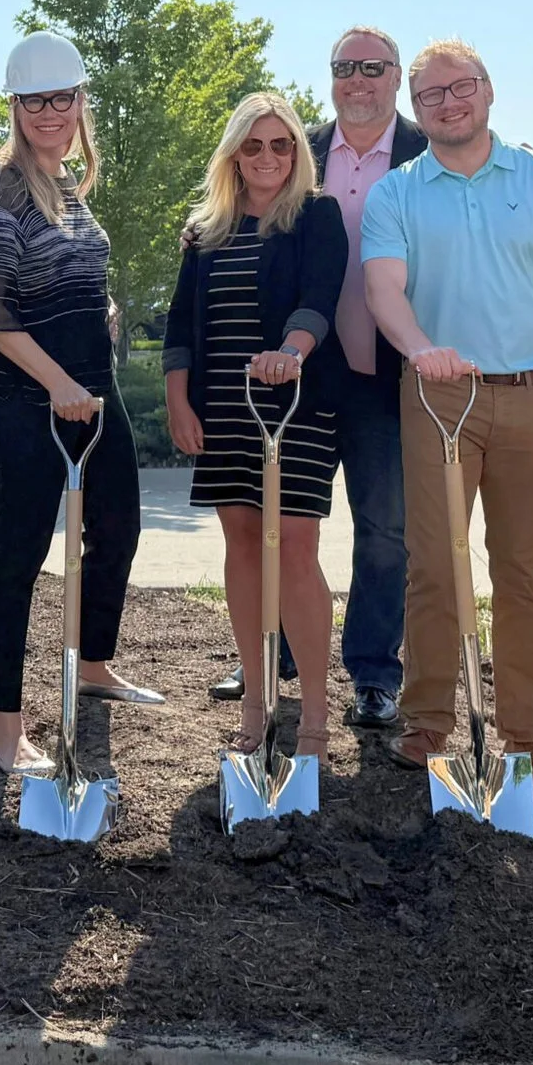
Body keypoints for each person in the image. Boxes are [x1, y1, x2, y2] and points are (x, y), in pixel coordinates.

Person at [362, 41, 533, 795]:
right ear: (417, 106)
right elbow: (384, 289)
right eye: (431, 95)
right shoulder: (397, 193)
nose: (448, 103)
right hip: (440, 396)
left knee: (522, 572)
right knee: (436, 564)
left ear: (489, 91)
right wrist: (419, 350)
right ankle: (428, 718)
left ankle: (526, 735)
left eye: (460, 88)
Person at [0, 32, 156, 777]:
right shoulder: (0, 185)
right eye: (35, 99)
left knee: (118, 523)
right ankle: (5, 730)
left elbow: (67, 272)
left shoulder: (68, 181)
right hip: (27, 397)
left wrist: (100, 305)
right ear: (15, 106)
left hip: (89, 387)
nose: (50, 111)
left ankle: (93, 662)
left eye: (63, 97)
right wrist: (57, 383)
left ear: (82, 102)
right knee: (18, 553)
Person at [165, 92, 346, 761]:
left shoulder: (316, 216)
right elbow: (180, 327)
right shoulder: (204, 230)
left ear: (296, 152)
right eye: (253, 144)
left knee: (294, 546)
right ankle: (258, 699)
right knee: (242, 541)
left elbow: (318, 300)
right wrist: (179, 401)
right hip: (224, 408)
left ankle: (318, 717)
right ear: (234, 153)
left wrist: (290, 354)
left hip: (294, 407)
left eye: (280, 144)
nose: (267, 156)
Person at [295, 26, 430, 729]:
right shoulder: (296, 148)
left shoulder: (425, 154)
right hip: (305, 375)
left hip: (389, 375)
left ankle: (373, 672)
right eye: (344, 66)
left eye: (371, 67)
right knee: (289, 524)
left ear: (396, 76)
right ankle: (278, 656)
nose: (357, 80)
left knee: (385, 531)